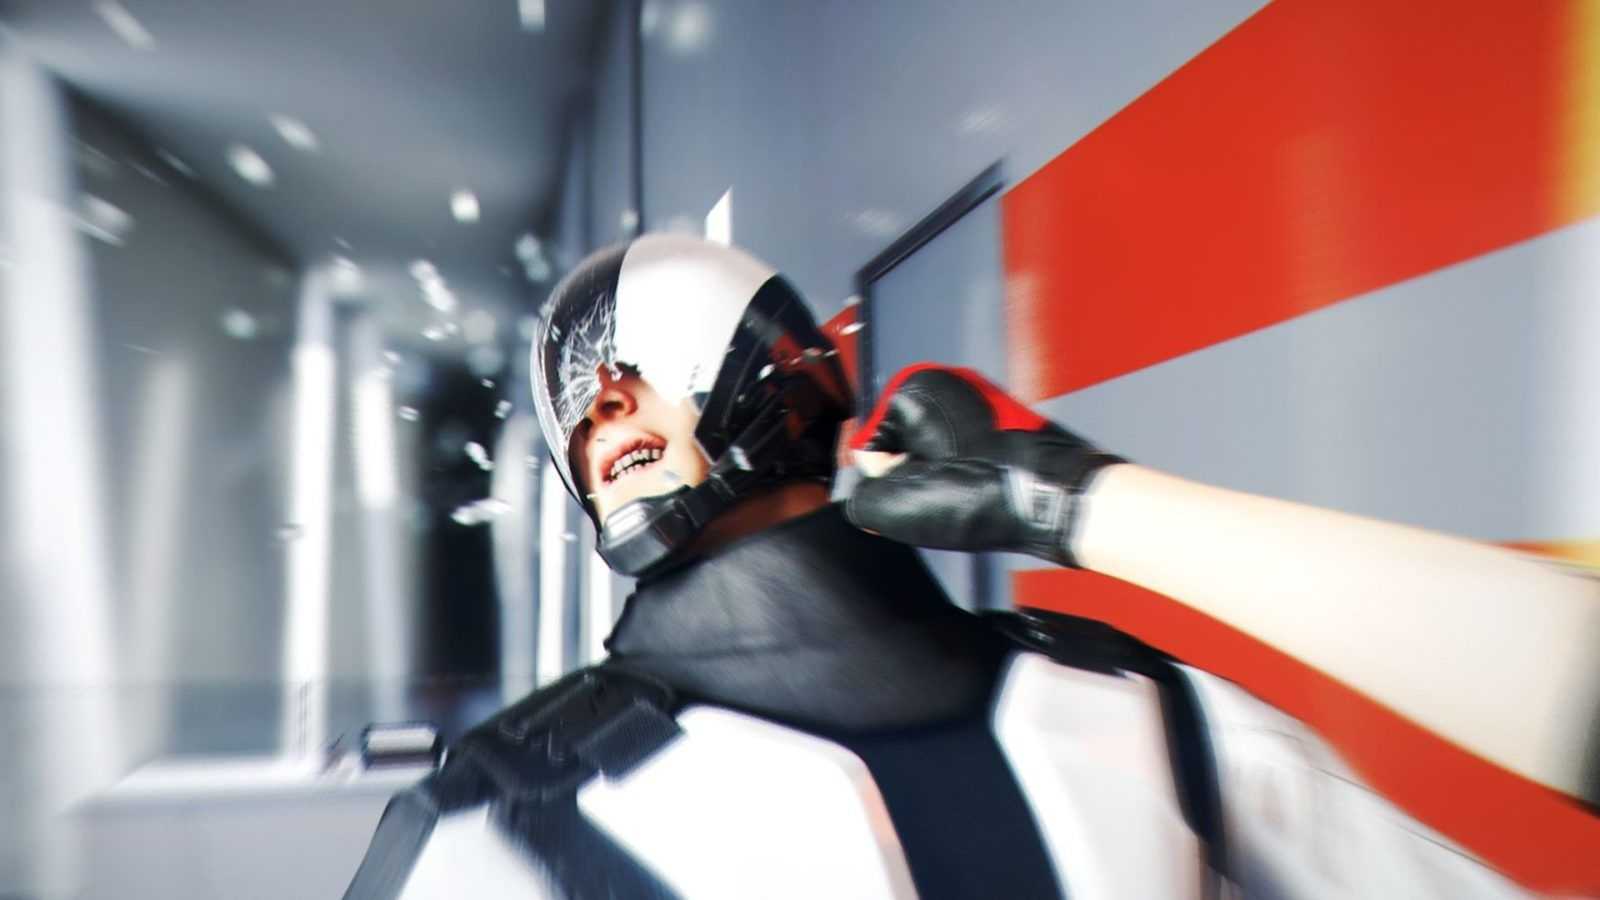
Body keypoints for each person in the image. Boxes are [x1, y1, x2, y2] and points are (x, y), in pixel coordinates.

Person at [344, 234, 1595, 899]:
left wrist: (1081, 502)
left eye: (623, 373)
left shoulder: (1139, 710)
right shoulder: (503, 812)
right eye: (575, 409)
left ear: (774, 367)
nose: (598, 417)